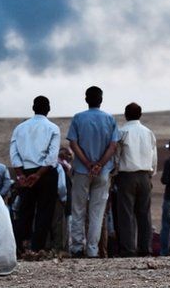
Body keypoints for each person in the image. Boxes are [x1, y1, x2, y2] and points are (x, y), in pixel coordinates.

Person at [67, 86, 119, 258]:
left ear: (86, 99)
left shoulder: (78, 118)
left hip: (82, 170)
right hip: (103, 172)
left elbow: (73, 144)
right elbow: (113, 146)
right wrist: (100, 164)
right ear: (101, 99)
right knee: (97, 212)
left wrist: (88, 163)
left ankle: (76, 247)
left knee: (78, 209)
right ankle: (92, 249)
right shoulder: (110, 119)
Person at [9, 96, 60, 253]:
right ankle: (37, 247)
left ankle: (19, 247)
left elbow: (14, 153)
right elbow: (52, 157)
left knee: (24, 210)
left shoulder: (20, 128)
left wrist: (20, 175)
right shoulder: (53, 128)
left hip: (25, 171)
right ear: (48, 109)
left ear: (33, 108)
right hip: (45, 173)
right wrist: (38, 175)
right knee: (44, 211)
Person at [115, 102, 157, 257]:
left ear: (126, 114)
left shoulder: (122, 132)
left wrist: (114, 173)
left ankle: (128, 249)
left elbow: (117, 156)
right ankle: (145, 248)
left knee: (126, 214)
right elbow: (154, 157)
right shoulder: (148, 132)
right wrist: (150, 174)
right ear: (140, 114)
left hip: (126, 175)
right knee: (144, 214)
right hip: (145, 175)